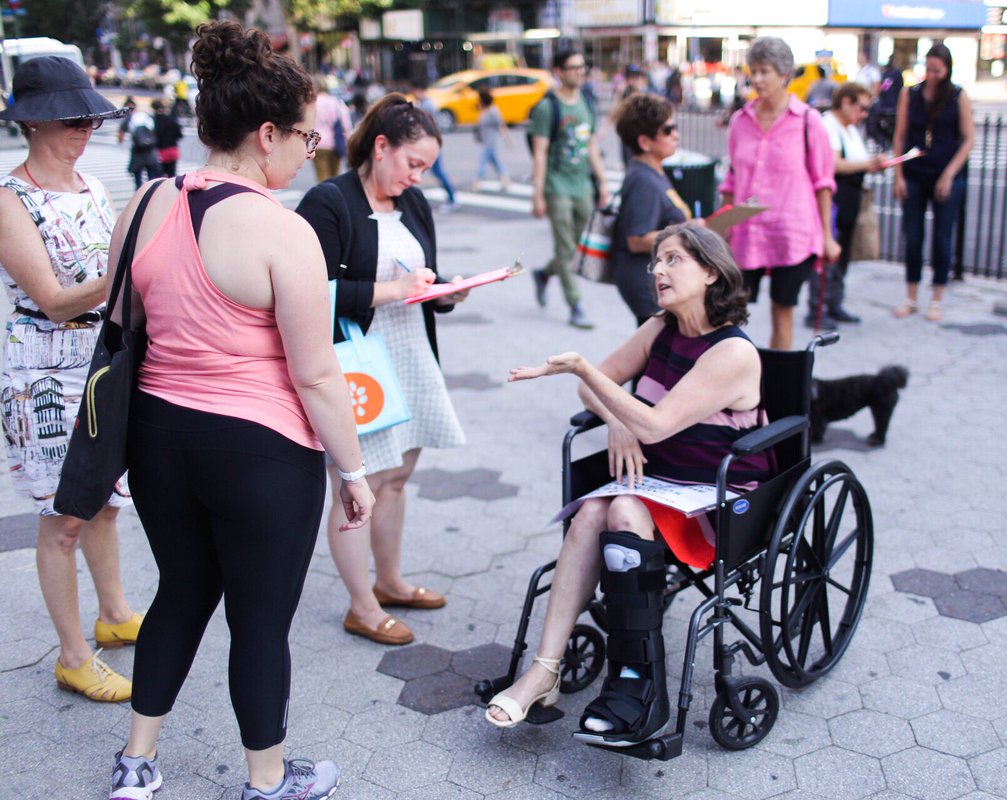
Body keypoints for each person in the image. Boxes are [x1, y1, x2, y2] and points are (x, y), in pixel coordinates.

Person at [108, 21, 375, 800]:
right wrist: (352, 470)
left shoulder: (146, 203)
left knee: (180, 591)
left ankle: (136, 763)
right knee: (258, 622)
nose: (309, 153)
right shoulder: (283, 231)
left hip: (159, 439)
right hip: (262, 451)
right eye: (305, 137)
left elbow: (125, 323)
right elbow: (316, 374)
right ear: (266, 135)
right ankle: (268, 778)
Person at [492, 222, 770, 745]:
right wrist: (618, 421)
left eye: (673, 260)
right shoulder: (661, 327)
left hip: (717, 499)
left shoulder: (733, 353)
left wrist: (585, 371)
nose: (658, 270)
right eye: (655, 261)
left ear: (711, 272)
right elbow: (598, 395)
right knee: (592, 511)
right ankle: (544, 670)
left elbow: (654, 423)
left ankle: (638, 680)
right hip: (658, 482)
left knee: (618, 508)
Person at [295, 94, 469, 648]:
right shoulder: (329, 201)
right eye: (412, 163)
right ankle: (362, 606)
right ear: (380, 146)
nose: (417, 177)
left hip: (410, 354)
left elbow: (422, 274)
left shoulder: (412, 203)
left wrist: (445, 291)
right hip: (355, 366)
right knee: (357, 487)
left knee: (396, 478)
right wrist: (394, 290)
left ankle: (389, 581)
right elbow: (308, 293)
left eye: (426, 168)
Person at [0, 56, 140, 707]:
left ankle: (113, 613)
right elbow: (54, 301)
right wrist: (128, 273)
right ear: (32, 122)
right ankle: (73, 656)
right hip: (45, 372)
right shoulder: (10, 200)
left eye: (89, 119)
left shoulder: (90, 186)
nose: (83, 130)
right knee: (62, 518)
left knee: (106, 500)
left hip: (101, 360)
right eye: (69, 119)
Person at [720, 36, 839, 350]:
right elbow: (731, 181)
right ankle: (732, 374)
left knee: (782, 311)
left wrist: (827, 237)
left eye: (765, 72)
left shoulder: (808, 121)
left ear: (785, 74)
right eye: (753, 71)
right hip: (746, 232)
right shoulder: (740, 121)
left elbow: (823, 183)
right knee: (727, 314)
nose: (757, 79)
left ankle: (778, 378)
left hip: (792, 231)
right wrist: (722, 229)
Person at [893, 44, 975, 323]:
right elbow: (900, 136)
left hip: (945, 173)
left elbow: (968, 139)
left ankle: (937, 297)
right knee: (913, 236)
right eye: (928, 69)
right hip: (915, 172)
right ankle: (911, 296)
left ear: (947, 70)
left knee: (942, 237)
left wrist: (950, 174)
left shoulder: (957, 96)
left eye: (937, 71)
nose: (932, 75)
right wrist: (899, 175)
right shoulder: (910, 94)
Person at [529, 49, 610, 330]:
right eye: (573, 67)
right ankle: (575, 305)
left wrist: (603, 182)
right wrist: (538, 193)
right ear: (559, 72)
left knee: (578, 249)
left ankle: (543, 274)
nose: (580, 72)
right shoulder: (547, 107)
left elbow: (591, 146)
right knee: (565, 248)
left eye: (582, 67)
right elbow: (540, 153)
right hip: (557, 186)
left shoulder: (586, 103)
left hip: (582, 185)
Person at [610, 92, 691, 326]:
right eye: (667, 130)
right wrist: (687, 233)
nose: (675, 135)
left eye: (674, 127)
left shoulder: (652, 170)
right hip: (646, 283)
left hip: (656, 279)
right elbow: (636, 240)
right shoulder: (643, 180)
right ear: (645, 142)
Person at [818, 82, 886, 327]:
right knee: (828, 255)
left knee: (843, 253)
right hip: (835, 199)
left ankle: (834, 303)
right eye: (862, 108)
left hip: (850, 198)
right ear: (846, 102)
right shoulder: (829, 125)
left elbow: (855, 162)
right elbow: (834, 164)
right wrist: (869, 163)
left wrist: (872, 164)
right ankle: (819, 307)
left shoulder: (850, 129)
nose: (864, 114)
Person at [411, 83, 459, 212]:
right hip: (429, 143)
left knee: (436, 171)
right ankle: (451, 197)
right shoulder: (425, 104)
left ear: (419, 90)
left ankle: (452, 197)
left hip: (430, 143)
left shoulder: (427, 106)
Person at [312, 76, 353, 183]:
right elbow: (345, 124)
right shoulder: (335, 102)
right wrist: (347, 139)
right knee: (335, 177)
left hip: (317, 144)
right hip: (335, 143)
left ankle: (324, 193)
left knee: (322, 177)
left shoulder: (312, 103)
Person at [472, 89, 511, 192]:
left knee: (483, 161)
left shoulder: (493, 111)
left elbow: (501, 124)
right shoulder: (484, 110)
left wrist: (507, 138)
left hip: (491, 141)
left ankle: (477, 181)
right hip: (486, 141)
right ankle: (505, 178)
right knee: (495, 161)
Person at [118, 99, 162, 189]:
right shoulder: (147, 116)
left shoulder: (130, 119)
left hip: (137, 153)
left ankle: (140, 195)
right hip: (150, 152)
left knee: (138, 181)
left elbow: (120, 136)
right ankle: (152, 194)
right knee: (152, 181)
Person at [150, 98, 183, 178]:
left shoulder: (152, 120)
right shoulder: (172, 119)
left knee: (159, 177)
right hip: (172, 150)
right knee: (172, 175)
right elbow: (179, 135)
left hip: (159, 152)